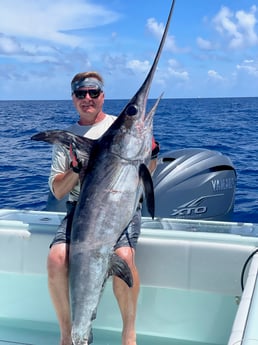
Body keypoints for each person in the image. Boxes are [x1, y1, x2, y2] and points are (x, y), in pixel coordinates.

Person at [47, 71, 159, 345]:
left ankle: (128, 335)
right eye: (81, 93)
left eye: (93, 93)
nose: (87, 98)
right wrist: (76, 170)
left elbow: (146, 174)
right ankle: (69, 335)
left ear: (102, 96)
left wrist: (151, 155)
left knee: (125, 257)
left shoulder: (116, 126)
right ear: (73, 98)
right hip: (81, 211)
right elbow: (58, 191)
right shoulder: (69, 138)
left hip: (122, 211)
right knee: (57, 258)